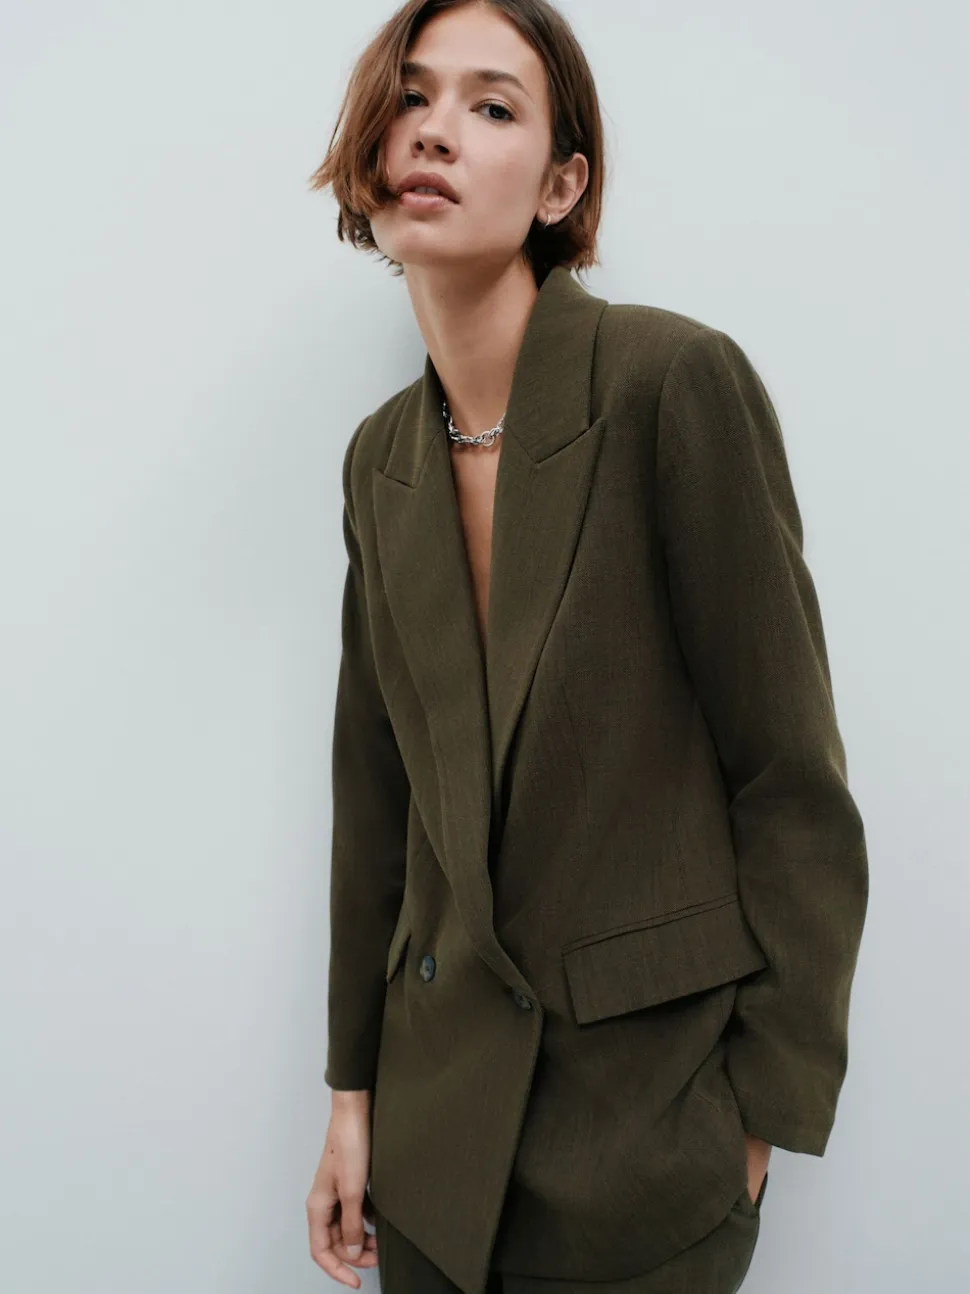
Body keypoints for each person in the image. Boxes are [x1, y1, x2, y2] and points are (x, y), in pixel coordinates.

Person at [304, 2, 869, 1292]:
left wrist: (756, 1126)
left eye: (492, 106)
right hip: (433, 1162)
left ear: (562, 186)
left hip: (645, 1148)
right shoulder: (380, 460)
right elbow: (376, 803)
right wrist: (351, 1098)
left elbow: (789, 776)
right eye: (411, 96)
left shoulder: (671, 383)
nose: (434, 130)